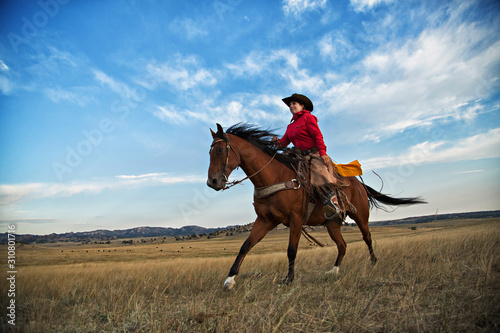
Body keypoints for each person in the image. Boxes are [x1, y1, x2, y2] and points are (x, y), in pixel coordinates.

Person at [272, 93, 343, 222]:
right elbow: (284, 143)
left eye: (294, 104)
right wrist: (277, 143)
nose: (291, 106)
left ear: (302, 106)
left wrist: (323, 153)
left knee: (319, 172)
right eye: (290, 105)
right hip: (300, 156)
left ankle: (333, 204)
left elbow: (317, 135)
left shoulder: (308, 118)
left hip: (314, 154)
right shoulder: (290, 126)